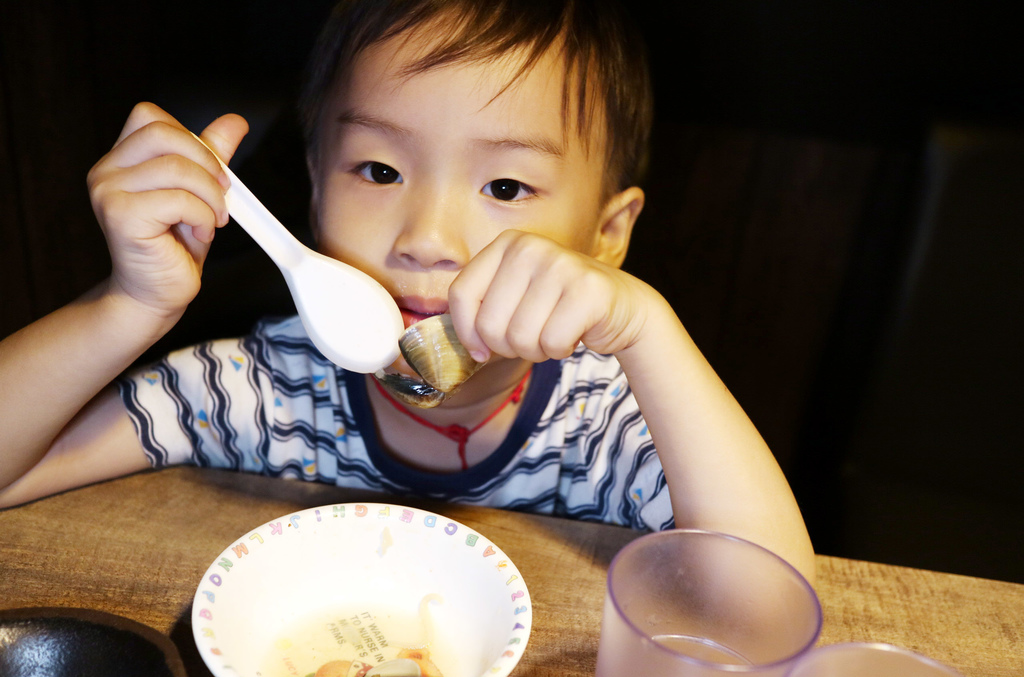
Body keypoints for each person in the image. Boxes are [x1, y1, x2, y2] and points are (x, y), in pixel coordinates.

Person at [0, 0, 814, 580]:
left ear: (606, 234)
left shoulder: (603, 423)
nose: (426, 239)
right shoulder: (261, 390)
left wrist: (649, 331)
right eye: (380, 170)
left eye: (504, 186)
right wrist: (127, 306)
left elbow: (767, 604)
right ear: (315, 187)